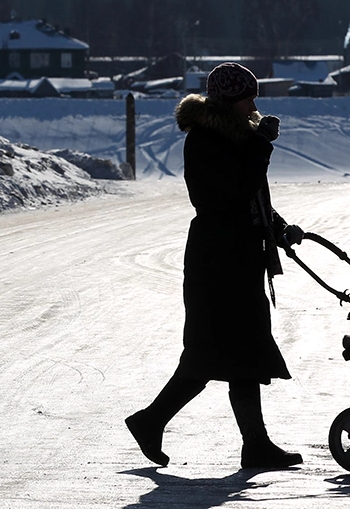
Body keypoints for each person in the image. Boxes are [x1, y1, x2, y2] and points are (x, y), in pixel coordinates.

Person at [126, 62, 306, 470]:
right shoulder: (207, 140)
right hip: (218, 260)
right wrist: (261, 144)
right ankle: (151, 420)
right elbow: (238, 189)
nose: (254, 104)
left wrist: (279, 228)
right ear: (229, 100)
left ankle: (253, 444)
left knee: (243, 351)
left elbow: (251, 198)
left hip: (236, 257)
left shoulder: (235, 137)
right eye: (248, 97)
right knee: (211, 353)